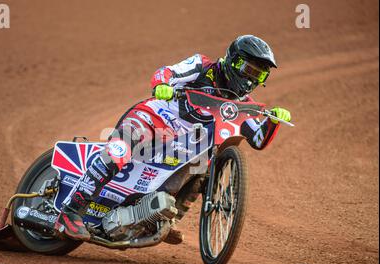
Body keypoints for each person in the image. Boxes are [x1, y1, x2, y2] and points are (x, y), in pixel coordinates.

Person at [54, 35, 292, 244]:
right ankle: (71, 211)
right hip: (154, 118)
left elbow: (258, 140)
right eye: (249, 70)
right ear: (233, 60)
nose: (251, 79)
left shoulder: (242, 105)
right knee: (118, 150)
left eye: (259, 74)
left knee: (204, 167)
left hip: (181, 144)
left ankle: (163, 219)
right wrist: (162, 86)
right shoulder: (202, 65)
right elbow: (165, 72)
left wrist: (273, 121)